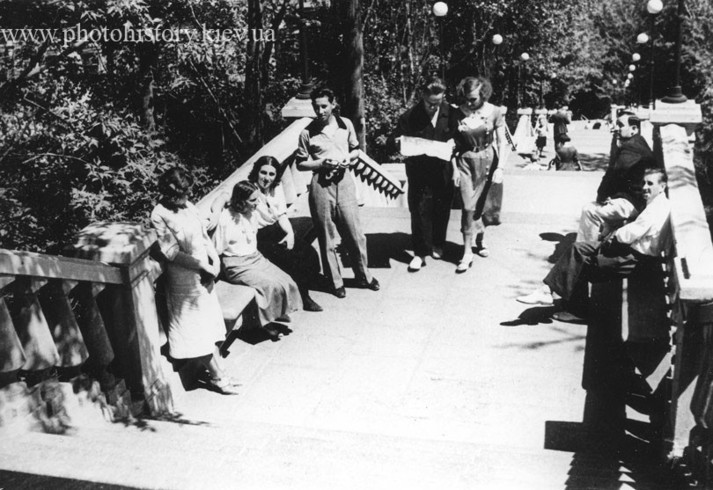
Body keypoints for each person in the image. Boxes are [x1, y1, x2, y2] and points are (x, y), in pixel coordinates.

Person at [517, 168, 671, 323]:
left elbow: (629, 234)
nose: (644, 187)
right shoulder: (657, 202)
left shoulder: (656, 209)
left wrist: (614, 235)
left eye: (650, 183)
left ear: (662, 186)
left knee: (579, 262)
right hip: (629, 252)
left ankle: (577, 310)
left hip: (634, 260)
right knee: (577, 248)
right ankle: (546, 291)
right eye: (643, 183)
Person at [150, 168, 239, 395]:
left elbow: (203, 236)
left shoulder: (188, 206)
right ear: (171, 193)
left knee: (209, 326)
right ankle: (218, 377)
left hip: (204, 273)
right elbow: (171, 252)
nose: (188, 196)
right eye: (183, 193)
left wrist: (214, 260)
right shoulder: (159, 214)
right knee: (195, 330)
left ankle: (220, 371)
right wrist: (203, 266)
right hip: (184, 281)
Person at [209, 156, 323, 312]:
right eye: (263, 172)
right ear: (257, 172)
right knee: (291, 260)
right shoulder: (249, 189)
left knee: (309, 253)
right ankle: (304, 297)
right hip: (260, 237)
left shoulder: (276, 188)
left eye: (271, 174)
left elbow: (281, 215)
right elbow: (223, 196)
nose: (267, 178)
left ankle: (310, 281)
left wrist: (290, 234)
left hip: (276, 229)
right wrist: (216, 213)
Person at [295, 87, 379, 298]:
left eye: (324, 106)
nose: (320, 111)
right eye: (316, 107)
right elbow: (300, 164)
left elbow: (356, 150)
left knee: (355, 233)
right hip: (321, 185)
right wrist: (321, 163)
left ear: (333, 104)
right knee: (326, 236)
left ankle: (364, 276)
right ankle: (335, 282)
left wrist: (348, 159)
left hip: (345, 182)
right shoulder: (307, 132)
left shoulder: (345, 124)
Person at [213, 180, 303, 339]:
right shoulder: (226, 219)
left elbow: (275, 214)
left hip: (255, 257)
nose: (257, 203)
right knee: (268, 285)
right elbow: (217, 248)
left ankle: (276, 312)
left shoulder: (252, 213)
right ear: (241, 201)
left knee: (286, 280)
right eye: (253, 200)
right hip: (236, 264)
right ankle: (263, 324)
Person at [394, 76, 456, 271]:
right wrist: (398, 142)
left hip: (443, 170)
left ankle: (438, 243)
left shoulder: (451, 113)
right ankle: (419, 253)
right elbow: (394, 140)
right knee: (420, 211)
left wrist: (455, 142)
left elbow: (461, 137)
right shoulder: (409, 116)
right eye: (430, 103)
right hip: (419, 171)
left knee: (442, 209)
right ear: (423, 96)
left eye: (438, 102)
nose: (434, 107)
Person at [451, 76, 508, 273]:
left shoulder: (495, 112)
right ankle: (467, 252)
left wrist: (500, 168)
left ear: (483, 95)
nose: (469, 103)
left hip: (488, 162)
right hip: (465, 162)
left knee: (485, 206)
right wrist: (454, 168)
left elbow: (502, 141)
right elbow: (452, 143)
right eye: (466, 98)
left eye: (473, 99)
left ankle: (481, 238)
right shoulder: (458, 112)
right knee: (468, 207)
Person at [577, 113, 654, 242]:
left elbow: (614, 174)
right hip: (634, 199)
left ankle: (584, 250)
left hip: (634, 203)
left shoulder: (631, 147)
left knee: (589, 210)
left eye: (621, 125)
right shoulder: (638, 142)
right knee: (603, 210)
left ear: (633, 129)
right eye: (616, 124)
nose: (616, 128)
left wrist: (601, 196)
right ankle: (598, 242)